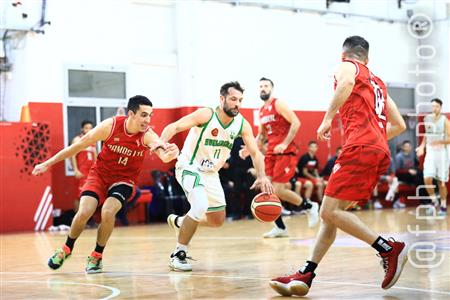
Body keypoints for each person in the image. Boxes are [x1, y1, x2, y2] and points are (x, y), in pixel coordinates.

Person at [269, 36, 408, 297]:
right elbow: (399, 125)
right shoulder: (378, 82)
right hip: (378, 151)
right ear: (368, 58)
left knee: (330, 212)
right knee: (330, 213)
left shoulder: (347, 66)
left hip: (360, 148)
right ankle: (307, 273)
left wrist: (327, 120)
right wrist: (375, 139)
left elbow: (344, 82)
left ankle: (387, 248)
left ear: (344, 55)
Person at [32, 95, 179, 273]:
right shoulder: (110, 126)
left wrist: (170, 153)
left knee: (108, 212)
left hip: (124, 179)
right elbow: (77, 147)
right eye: (144, 115)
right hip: (100, 175)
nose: (148, 120)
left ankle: (96, 255)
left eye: (150, 115)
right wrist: (47, 163)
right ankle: (66, 248)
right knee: (84, 211)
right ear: (131, 114)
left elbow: (162, 152)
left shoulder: (147, 135)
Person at [160, 81, 274, 271]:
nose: (237, 104)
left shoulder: (241, 124)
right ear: (222, 99)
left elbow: (255, 153)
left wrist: (262, 176)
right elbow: (175, 126)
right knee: (200, 205)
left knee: (217, 220)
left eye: (240, 100)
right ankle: (178, 253)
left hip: (211, 174)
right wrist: (161, 143)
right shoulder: (206, 114)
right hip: (189, 166)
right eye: (233, 99)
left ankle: (180, 221)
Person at [241, 78, 319, 238]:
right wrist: (249, 149)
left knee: (278, 190)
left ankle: (309, 206)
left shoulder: (278, 104)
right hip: (271, 153)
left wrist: (284, 143)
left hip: (286, 152)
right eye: (261, 86)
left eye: (266, 86)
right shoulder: (262, 110)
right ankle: (280, 227)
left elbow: (296, 123)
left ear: (271, 88)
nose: (263, 88)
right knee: (265, 188)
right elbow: (261, 136)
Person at [416, 98, 449, 216]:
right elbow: (426, 135)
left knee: (441, 182)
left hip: (442, 154)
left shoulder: (445, 121)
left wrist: (440, 141)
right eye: (432, 106)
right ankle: (435, 202)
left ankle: (444, 206)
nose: (434, 108)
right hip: (430, 153)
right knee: (427, 179)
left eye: (436, 106)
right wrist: (421, 146)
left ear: (440, 107)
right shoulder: (427, 119)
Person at [71, 120, 97, 227]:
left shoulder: (93, 140)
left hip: (90, 173)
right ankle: (77, 220)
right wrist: (75, 170)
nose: (88, 130)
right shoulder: (77, 139)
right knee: (79, 196)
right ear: (82, 129)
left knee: (90, 196)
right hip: (81, 173)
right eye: (86, 128)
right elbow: (72, 155)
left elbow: (96, 158)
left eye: (90, 128)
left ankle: (88, 220)